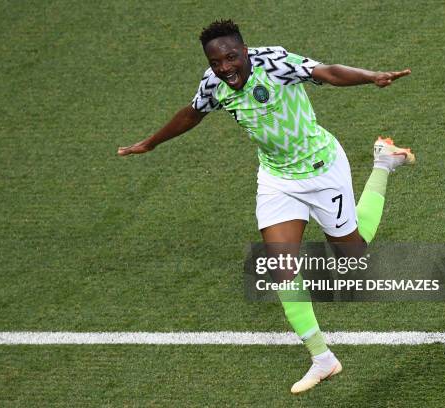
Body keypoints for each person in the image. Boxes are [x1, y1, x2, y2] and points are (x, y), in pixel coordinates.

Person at [118, 19, 415, 394]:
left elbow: (326, 72)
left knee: (351, 256)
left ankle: (384, 162)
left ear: (244, 50)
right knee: (280, 268)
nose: (225, 68)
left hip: (322, 169)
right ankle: (323, 359)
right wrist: (151, 143)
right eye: (216, 62)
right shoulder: (214, 84)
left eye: (230, 58)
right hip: (278, 180)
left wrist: (370, 76)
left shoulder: (274, 62)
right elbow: (192, 112)